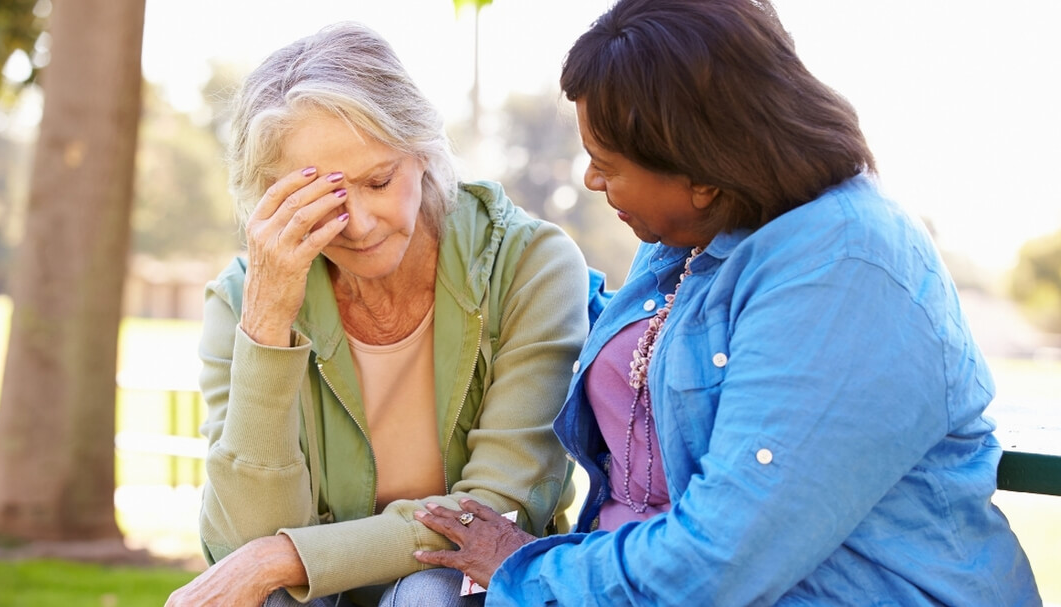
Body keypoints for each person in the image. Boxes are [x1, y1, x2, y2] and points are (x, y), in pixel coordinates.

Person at [412, 0, 1042, 604]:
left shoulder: (843, 268)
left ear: (703, 172)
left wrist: (531, 571)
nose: (591, 180)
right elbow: (635, 356)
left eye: (609, 163)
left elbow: (718, 565)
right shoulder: (695, 238)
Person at [164, 21, 592, 607]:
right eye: (322, 198)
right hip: (314, 597)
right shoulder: (242, 299)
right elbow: (242, 545)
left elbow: (493, 513)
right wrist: (267, 322)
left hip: (466, 588)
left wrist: (280, 557)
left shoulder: (530, 264)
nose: (360, 225)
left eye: (378, 181)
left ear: (421, 151)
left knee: (427, 596)